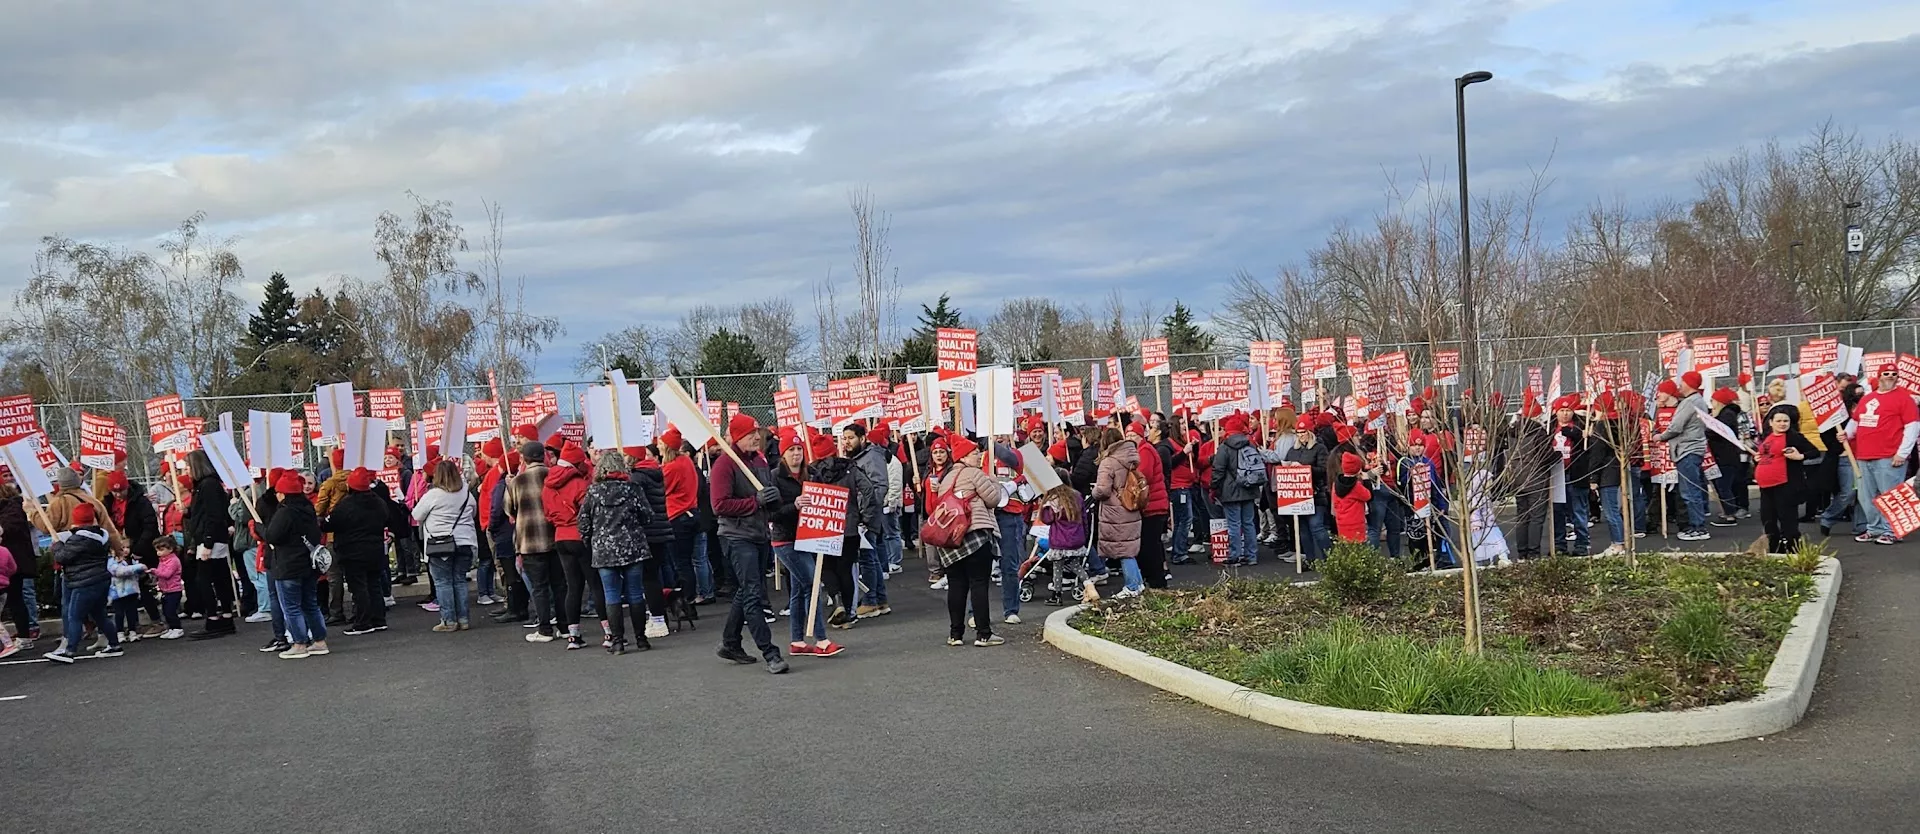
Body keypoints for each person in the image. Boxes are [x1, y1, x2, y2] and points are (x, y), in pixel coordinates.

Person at [709, 413, 789, 673]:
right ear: (736, 437)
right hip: (736, 536)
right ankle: (770, 653)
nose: (757, 436)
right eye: (750, 433)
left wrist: (775, 502)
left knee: (747, 590)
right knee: (754, 593)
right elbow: (719, 505)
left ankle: (730, 642)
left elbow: (766, 498)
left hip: (758, 534)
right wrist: (756, 502)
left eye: (757, 432)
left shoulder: (760, 460)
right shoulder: (725, 464)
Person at [926, 434, 1008, 646]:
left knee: (956, 585)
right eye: (974, 453)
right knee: (979, 583)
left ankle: (956, 634)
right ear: (964, 456)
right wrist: (993, 480)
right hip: (975, 535)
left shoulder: (946, 479)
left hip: (952, 539)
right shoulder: (974, 473)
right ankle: (983, 633)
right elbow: (995, 499)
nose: (979, 456)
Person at [767, 431, 842, 657]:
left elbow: (825, 499)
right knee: (813, 585)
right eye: (791, 450)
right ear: (783, 454)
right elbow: (772, 514)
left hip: (808, 539)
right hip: (785, 540)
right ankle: (821, 640)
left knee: (800, 590)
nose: (796, 453)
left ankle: (797, 642)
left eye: (799, 449)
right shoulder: (774, 477)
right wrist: (795, 505)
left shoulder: (812, 474)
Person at [579, 449, 660, 655]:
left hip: (604, 549)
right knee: (635, 593)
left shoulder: (593, 492)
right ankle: (641, 639)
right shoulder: (632, 489)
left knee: (611, 595)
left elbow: (583, 523)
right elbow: (648, 516)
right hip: (633, 547)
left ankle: (617, 642)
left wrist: (591, 539)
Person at [1846, 361, 1920, 544]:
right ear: (1879, 376)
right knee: (1866, 496)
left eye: (1893, 374)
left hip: (1889, 456)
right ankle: (1874, 528)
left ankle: (1892, 531)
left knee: (1890, 495)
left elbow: (1912, 427)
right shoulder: (1866, 399)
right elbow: (1856, 422)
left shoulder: (1904, 399)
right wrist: (1846, 434)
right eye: (1886, 373)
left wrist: (1902, 453)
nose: (1890, 376)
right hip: (1863, 456)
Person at [263, 470, 327, 659]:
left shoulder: (285, 512)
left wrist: (259, 528)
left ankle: (299, 643)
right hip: (308, 564)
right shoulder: (308, 507)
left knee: (291, 607)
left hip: (288, 565)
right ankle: (319, 641)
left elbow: (272, 536)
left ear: (283, 493)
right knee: (311, 604)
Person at [543, 443, 601, 648]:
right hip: (580, 537)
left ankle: (573, 635)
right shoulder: (579, 483)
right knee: (595, 584)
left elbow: (548, 514)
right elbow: (588, 512)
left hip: (560, 537)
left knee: (572, 587)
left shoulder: (548, 483)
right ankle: (610, 633)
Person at [46, 502, 120, 662]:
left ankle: (70, 650)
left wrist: (57, 546)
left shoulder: (78, 539)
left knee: (74, 616)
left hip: (83, 582)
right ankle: (114, 645)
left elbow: (62, 557)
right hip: (100, 579)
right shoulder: (102, 535)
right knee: (100, 615)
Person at [328, 468, 394, 636]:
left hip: (352, 551)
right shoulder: (378, 502)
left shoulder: (347, 504)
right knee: (374, 585)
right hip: (375, 549)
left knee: (359, 588)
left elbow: (331, 523)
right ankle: (379, 620)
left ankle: (363, 622)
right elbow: (387, 517)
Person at [182, 450, 239, 639]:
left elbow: (214, 515)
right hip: (212, 536)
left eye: (189, 466)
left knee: (206, 580)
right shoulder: (206, 486)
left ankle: (214, 618)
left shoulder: (208, 486)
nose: (187, 471)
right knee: (220, 577)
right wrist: (188, 512)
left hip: (211, 538)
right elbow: (204, 512)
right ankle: (225, 617)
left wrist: (207, 542)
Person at [508, 441, 561, 643]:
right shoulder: (554, 474)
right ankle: (564, 627)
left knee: (539, 587)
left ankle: (545, 628)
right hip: (554, 536)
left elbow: (509, 509)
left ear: (525, 458)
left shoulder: (518, 481)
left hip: (529, 540)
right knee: (559, 584)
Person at [1090, 427, 1146, 598]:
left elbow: (1103, 490)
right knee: (1129, 547)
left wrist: (1093, 492)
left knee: (1123, 550)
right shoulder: (1131, 458)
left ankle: (1131, 586)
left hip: (1115, 512)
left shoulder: (1109, 462)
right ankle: (1138, 583)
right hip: (1131, 507)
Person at [843, 423, 891, 619]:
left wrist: (866, 513)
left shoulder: (871, 457)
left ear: (862, 439)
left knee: (867, 559)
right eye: (844, 438)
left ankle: (871, 600)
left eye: (851, 438)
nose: (846, 442)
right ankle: (879, 599)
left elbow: (879, 486)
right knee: (870, 557)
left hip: (866, 517)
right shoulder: (859, 458)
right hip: (864, 515)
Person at [1756, 404, 1818, 553]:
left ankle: (1793, 550)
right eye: (1779, 421)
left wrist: (1799, 456)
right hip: (1766, 486)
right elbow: (1767, 455)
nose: (1782, 424)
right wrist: (1757, 459)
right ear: (1771, 422)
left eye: (1786, 421)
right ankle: (1774, 549)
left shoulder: (1794, 437)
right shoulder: (1767, 436)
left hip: (1786, 485)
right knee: (1768, 519)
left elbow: (1814, 452)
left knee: (1788, 521)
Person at [1657, 373, 1712, 542]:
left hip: (1687, 450)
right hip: (1688, 450)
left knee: (1690, 491)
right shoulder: (1697, 401)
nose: (1679, 386)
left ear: (1689, 384)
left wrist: (1660, 436)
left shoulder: (1690, 402)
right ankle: (1695, 525)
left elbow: (1676, 426)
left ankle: (1698, 527)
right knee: (1690, 490)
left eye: (1682, 382)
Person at [659, 429, 708, 604]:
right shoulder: (686, 461)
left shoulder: (671, 468)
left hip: (677, 516)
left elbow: (661, 489)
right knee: (694, 560)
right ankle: (694, 596)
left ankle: (687, 599)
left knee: (681, 563)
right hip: (691, 513)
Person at [1037, 483, 1096, 605]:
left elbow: (1047, 520)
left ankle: (1057, 595)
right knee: (1075, 565)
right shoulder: (1077, 497)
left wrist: (1043, 504)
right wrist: (1084, 535)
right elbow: (1084, 518)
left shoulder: (1054, 500)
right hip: (1076, 538)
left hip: (1059, 540)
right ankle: (1090, 587)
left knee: (1057, 566)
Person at [1130, 419, 1171, 589]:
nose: (1130, 437)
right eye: (1128, 434)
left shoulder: (1144, 451)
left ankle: (1156, 581)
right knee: (1151, 544)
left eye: (1133, 434)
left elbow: (1143, 475)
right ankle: (1155, 578)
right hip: (1152, 504)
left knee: (1150, 545)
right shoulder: (1142, 450)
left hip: (1153, 505)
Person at [1, 483, 39, 644]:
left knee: (15, 599)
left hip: (12, 562)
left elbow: (8, 528)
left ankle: (24, 636)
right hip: (11, 560)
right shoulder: (13, 507)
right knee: (14, 599)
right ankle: (23, 634)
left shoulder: (13, 507)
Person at [1706, 387, 1751, 526]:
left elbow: (1718, 432)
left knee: (1724, 486)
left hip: (1725, 456)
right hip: (1726, 456)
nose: (1711, 403)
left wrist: (1707, 429)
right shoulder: (1728, 414)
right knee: (1724, 485)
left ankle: (1729, 514)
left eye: (1712, 400)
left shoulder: (1726, 415)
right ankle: (1728, 511)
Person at [151, 536, 185, 639]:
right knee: (165, 611)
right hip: (165, 589)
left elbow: (167, 574)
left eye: (161, 550)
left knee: (171, 611)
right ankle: (171, 628)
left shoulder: (174, 561)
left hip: (174, 589)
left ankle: (177, 628)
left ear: (170, 549)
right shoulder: (162, 560)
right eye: (157, 550)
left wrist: (155, 571)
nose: (158, 553)